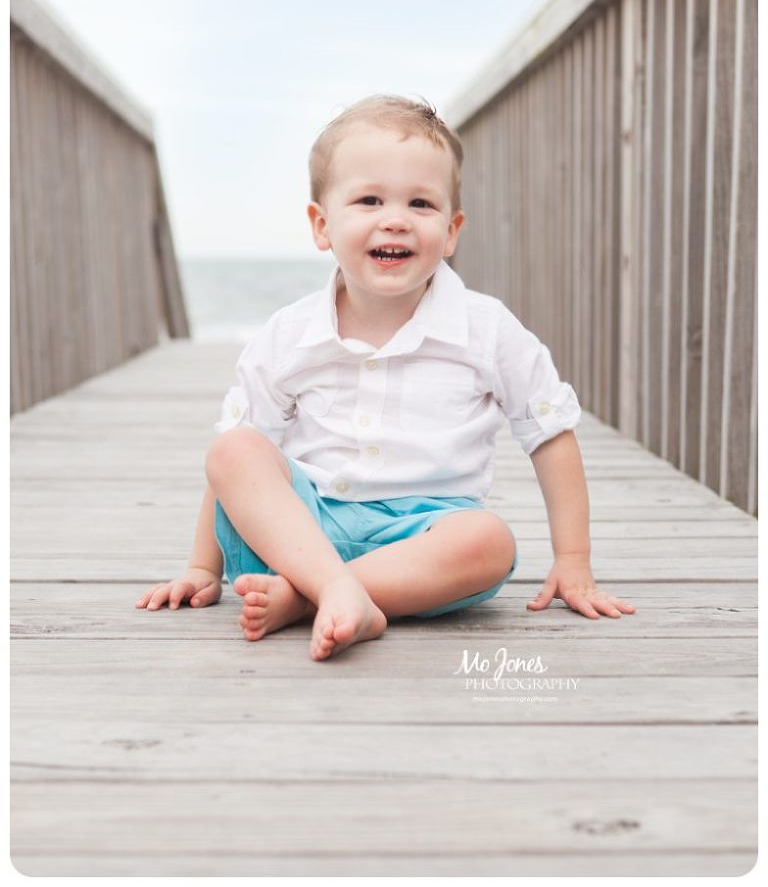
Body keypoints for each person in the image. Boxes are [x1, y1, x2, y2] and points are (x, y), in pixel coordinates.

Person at [135, 94, 636, 660]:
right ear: (322, 225)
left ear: (451, 231)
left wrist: (573, 562)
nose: (394, 218)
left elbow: (550, 435)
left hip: (424, 543)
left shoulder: (488, 330)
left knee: (488, 540)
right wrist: (203, 567)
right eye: (369, 199)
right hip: (298, 530)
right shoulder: (288, 334)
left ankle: (309, 600)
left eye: (421, 203)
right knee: (234, 449)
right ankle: (326, 587)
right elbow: (235, 467)